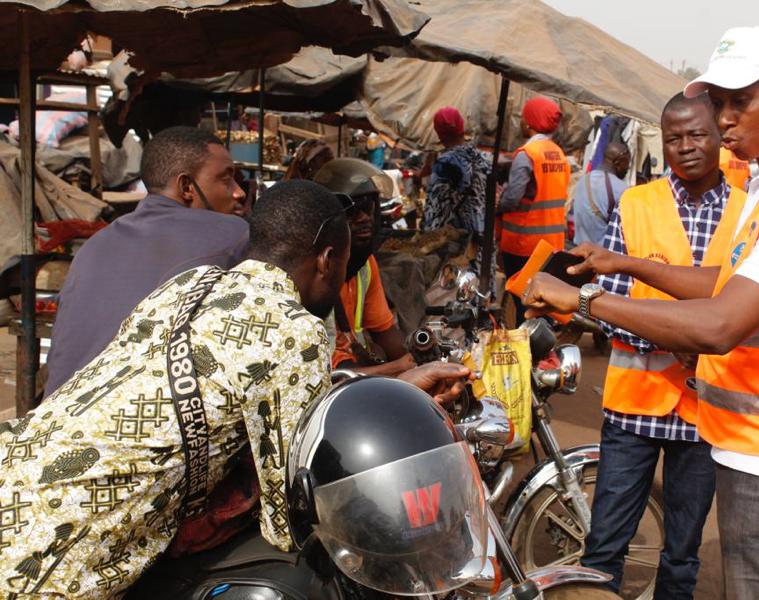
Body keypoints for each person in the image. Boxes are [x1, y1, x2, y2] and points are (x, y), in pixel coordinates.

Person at [523, 27, 759, 600]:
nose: (726, 119)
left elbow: (718, 322)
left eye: (740, 102)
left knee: (711, 567)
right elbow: (725, 284)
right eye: (719, 103)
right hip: (742, 436)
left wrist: (582, 299)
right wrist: (626, 265)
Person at [0, 180, 471, 598]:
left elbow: (249, 383)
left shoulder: (192, 284)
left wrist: (401, 383)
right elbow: (287, 503)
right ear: (327, 260)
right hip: (58, 546)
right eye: (345, 263)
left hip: (17, 472)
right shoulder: (295, 329)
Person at [581, 93, 747, 599]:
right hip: (635, 408)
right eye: (673, 138)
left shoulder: (749, 210)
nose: (685, 147)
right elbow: (608, 300)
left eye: (697, 135)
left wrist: (708, 340)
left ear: (719, 135)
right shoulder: (636, 204)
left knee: (683, 551)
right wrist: (682, 341)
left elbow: (750, 303)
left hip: (706, 412)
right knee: (605, 544)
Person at [46, 126, 249, 396]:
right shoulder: (233, 234)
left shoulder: (97, 242)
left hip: (53, 416)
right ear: (187, 187)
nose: (239, 193)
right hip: (124, 423)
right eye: (226, 180)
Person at [313, 158, 415, 375]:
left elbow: (385, 333)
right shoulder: (314, 270)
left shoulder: (365, 265)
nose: (365, 218)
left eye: (369, 208)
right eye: (353, 211)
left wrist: (415, 360)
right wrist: (397, 369)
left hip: (355, 368)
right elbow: (327, 374)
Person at [498, 96, 571, 324]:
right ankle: (544, 352)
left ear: (530, 123)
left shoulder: (527, 155)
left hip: (523, 245)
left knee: (525, 305)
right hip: (551, 244)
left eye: (523, 118)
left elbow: (512, 199)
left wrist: (498, 204)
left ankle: (528, 352)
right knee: (544, 303)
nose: (521, 122)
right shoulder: (558, 154)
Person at [423, 107, 492, 284]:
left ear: (439, 133)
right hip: (483, 237)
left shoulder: (445, 163)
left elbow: (435, 210)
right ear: (462, 127)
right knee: (479, 292)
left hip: (457, 246)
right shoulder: (483, 159)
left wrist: (425, 242)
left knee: (455, 297)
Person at [571, 141, 630, 245]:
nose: (628, 169)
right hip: (602, 256)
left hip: (577, 249)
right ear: (618, 163)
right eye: (627, 164)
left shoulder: (582, 180)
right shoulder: (622, 190)